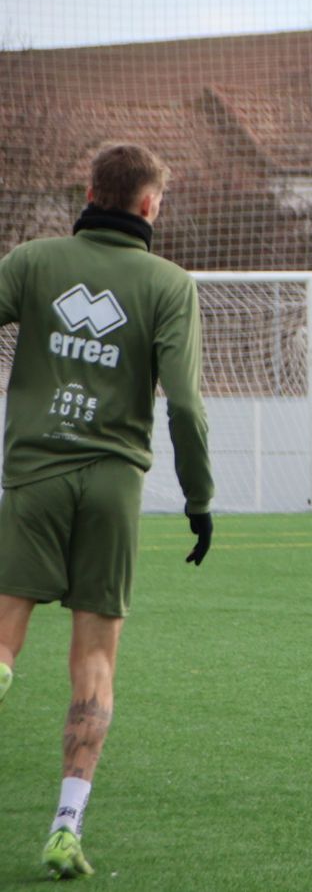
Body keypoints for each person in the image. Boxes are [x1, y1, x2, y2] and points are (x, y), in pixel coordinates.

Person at [0, 143, 214, 880]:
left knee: (2, 642)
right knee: (93, 664)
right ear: (151, 205)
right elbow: (184, 404)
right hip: (115, 485)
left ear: (89, 190)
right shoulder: (169, 284)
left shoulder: (32, 262)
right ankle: (65, 826)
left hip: (34, 474)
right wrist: (199, 497)